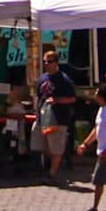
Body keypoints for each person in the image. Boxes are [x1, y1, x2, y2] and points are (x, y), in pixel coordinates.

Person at [35, 47, 78, 185]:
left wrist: (57, 100)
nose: (47, 64)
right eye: (45, 61)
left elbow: (72, 98)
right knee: (43, 146)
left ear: (56, 62)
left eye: (50, 61)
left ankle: (52, 174)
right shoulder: (42, 78)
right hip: (43, 117)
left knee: (56, 148)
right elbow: (39, 95)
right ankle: (47, 168)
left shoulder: (64, 80)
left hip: (58, 118)